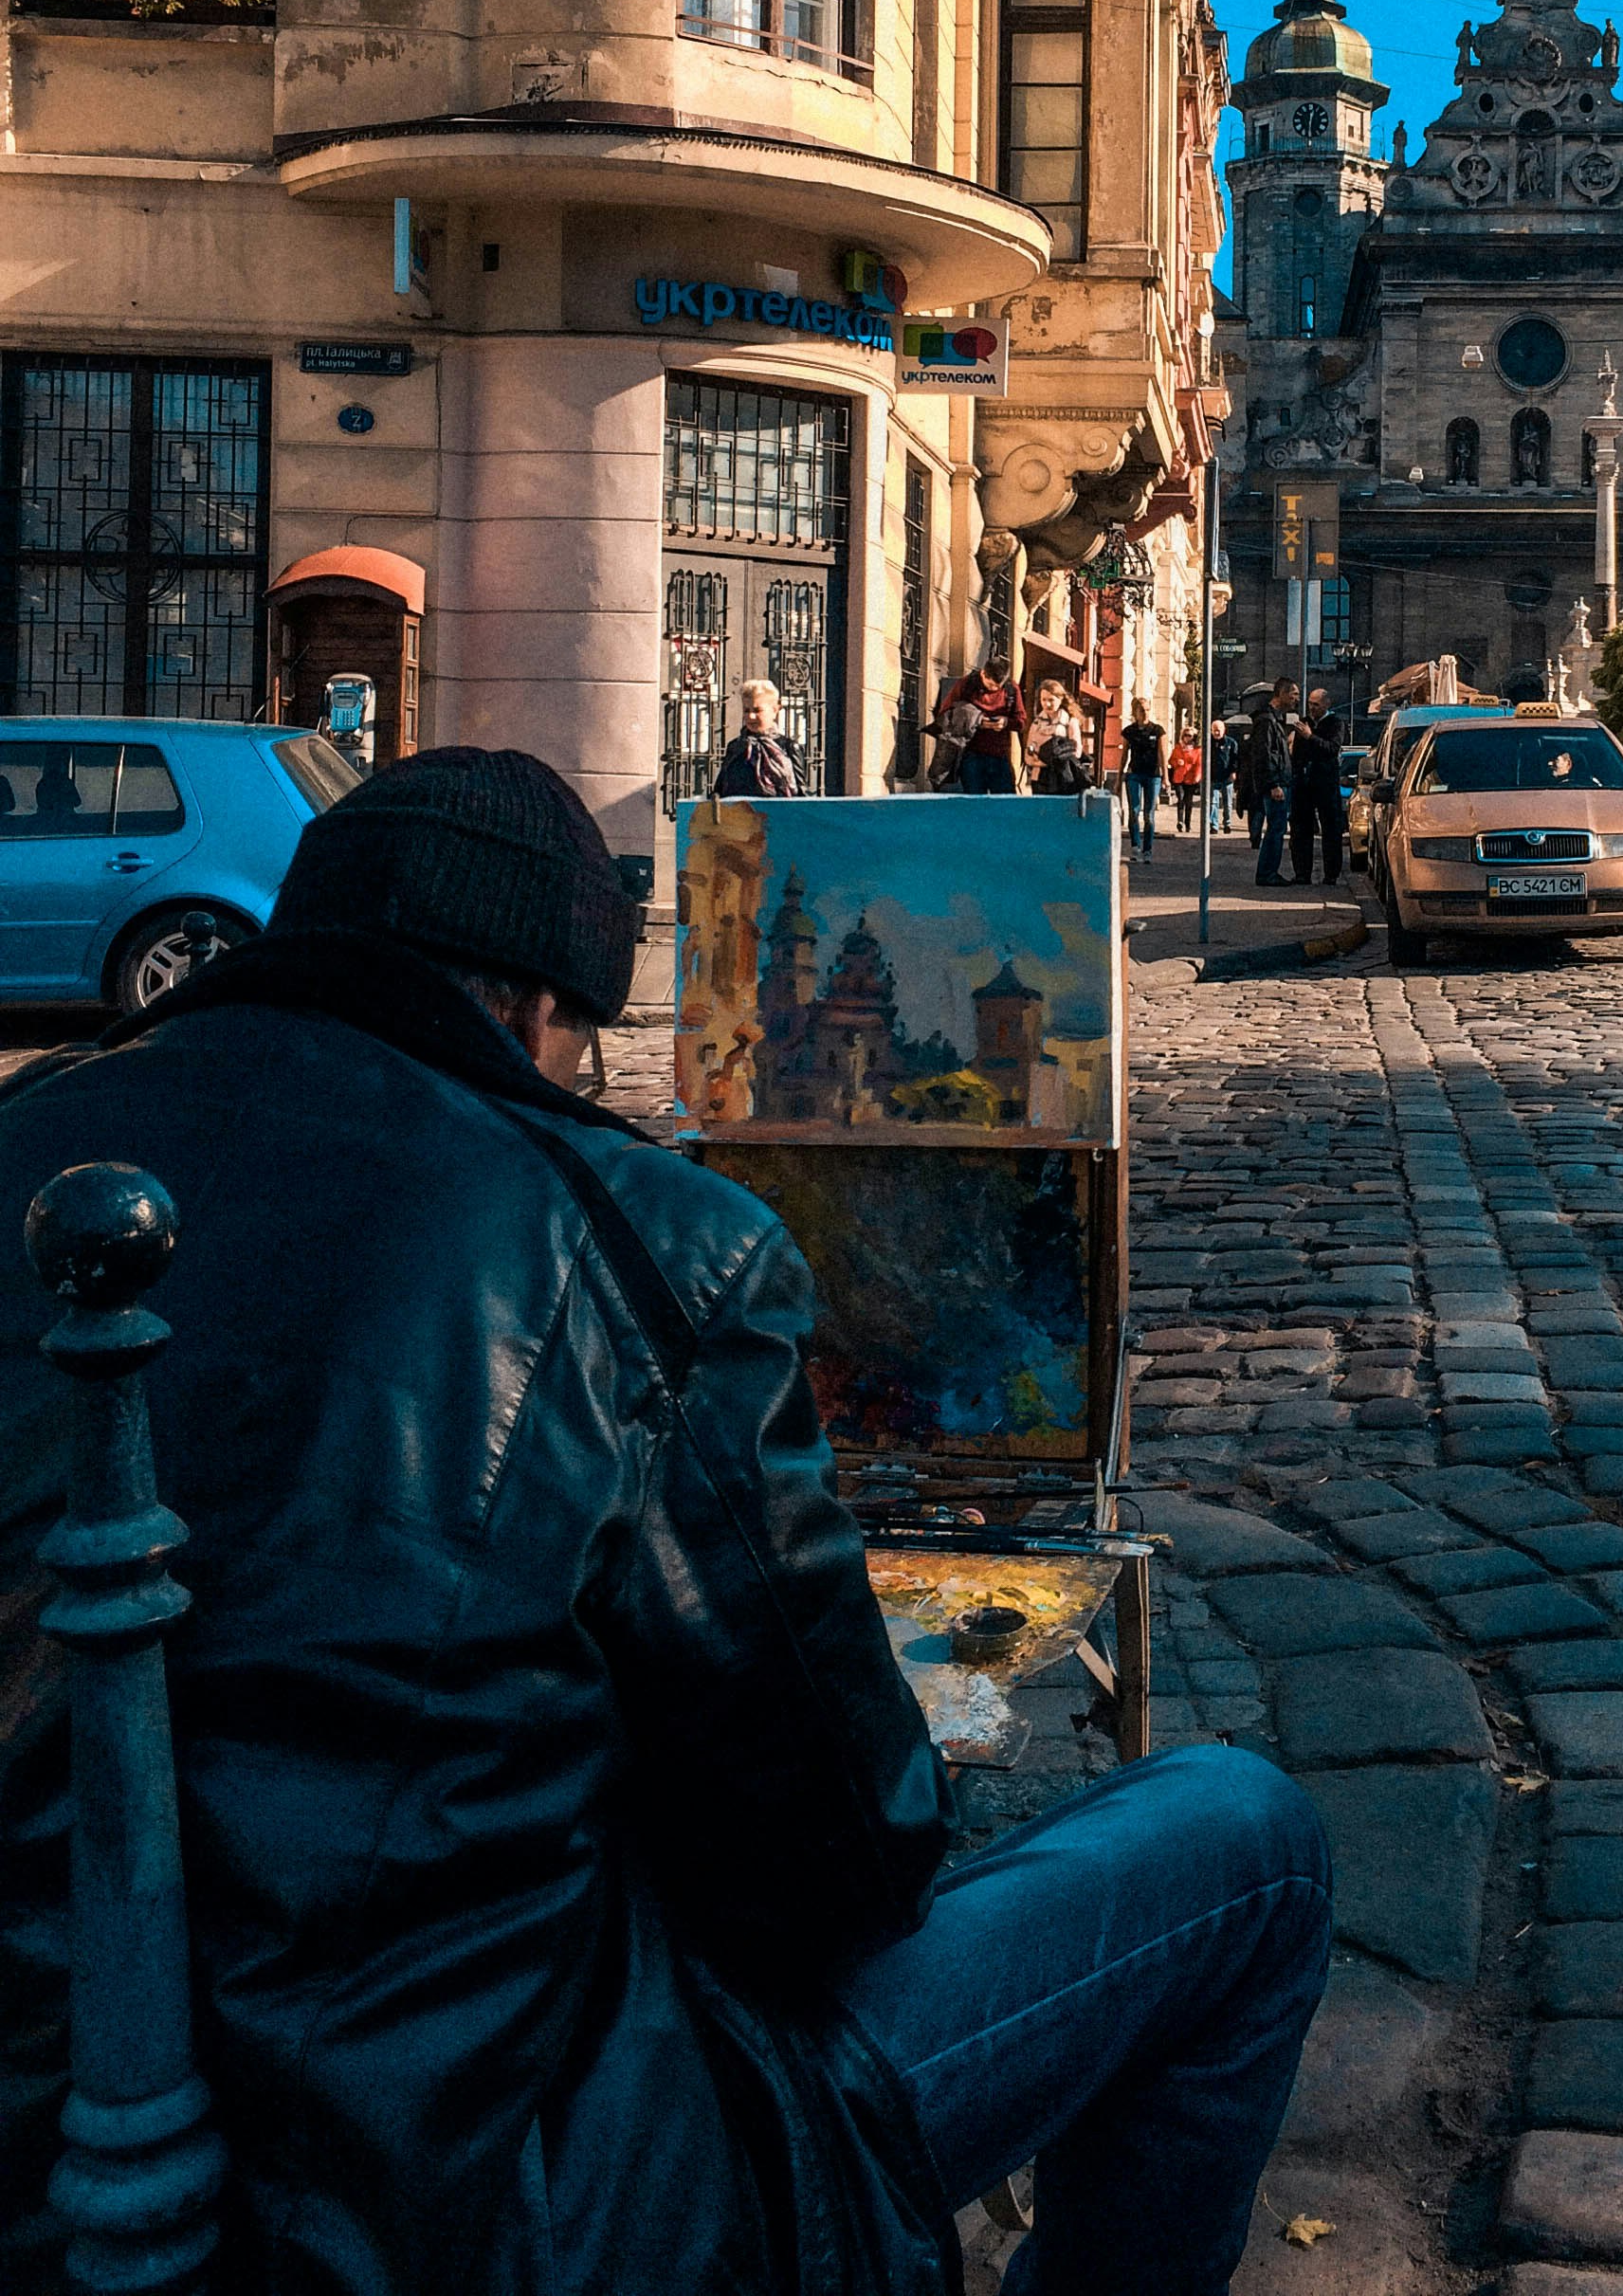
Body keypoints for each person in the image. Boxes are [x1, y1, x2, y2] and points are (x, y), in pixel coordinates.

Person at [0, 749, 1331, 2296]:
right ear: (541, 1012)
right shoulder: (633, 1239)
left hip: (45, 2138)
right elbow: (845, 1854)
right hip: (476, 2195)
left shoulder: (39, 1153)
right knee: (1247, 1843)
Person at [933, 656, 1026, 794]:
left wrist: (1006, 722)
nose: (994, 689)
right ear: (983, 673)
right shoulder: (966, 685)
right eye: (990, 685)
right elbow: (946, 714)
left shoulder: (1011, 689)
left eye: (997, 687)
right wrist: (976, 721)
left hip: (1000, 755)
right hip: (971, 753)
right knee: (974, 802)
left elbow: (1021, 721)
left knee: (1005, 802)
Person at [1288, 683, 1345, 886]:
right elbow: (1297, 755)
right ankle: (1302, 873)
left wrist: (1310, 737)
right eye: (1310, 704)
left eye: (1316, 705)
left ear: (1326, 704)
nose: (1312, 708)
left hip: (1326, 782)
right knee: (1301, 829)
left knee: (1331, 829)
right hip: (1304, 783)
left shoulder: (1335, 723)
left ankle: (1331, 874)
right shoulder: (1303, 723)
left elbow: (1331, 749)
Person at [712, 678, 803, 798]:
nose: (751, 716)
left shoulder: (789, 747)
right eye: (746, 710)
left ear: (775, 710)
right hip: (738, 814)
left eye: (757, 710)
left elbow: (801, 795)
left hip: (778, 814)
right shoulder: (736, 747)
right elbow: (719, 790)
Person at [1248, 678, 1299, 885]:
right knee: (1276, 829)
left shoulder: (1275, 720)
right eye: (1293, 694)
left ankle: (1269, 872)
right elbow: (1264, 755)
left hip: (1281, 781)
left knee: (1277, 828)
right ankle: (1267, 873)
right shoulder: (1267, 721)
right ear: (1281, 695)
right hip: (1276, 784)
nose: (1296, 699)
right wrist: (1273, 784)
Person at [1027, 682, 1091, 796]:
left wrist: (1054, 758)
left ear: (1060, 699)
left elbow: (1076, 752)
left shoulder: (1070, 722)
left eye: (1051, 700)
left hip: (1063, 778)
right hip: (1039, 777)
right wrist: (1039, 761)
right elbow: (1029, 753)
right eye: (1043, 700)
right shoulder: (1036, 723)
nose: (1047, 704)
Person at [1121, 696, 1165, 859]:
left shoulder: (1157, 730)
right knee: (1134, 811)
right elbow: (1124, 755)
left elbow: (1162, 754)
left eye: (1147, 710)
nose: (1145, 713)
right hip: (1134, 774)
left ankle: (1147, 849)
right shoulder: (1129, 731)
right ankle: (1135, 846)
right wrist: (1119, 777)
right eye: (1141, 710)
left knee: (1149, 814)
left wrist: (1165, 777)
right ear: (1135, 712)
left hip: (1153, 775)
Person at [1168, 725, 1203, 834]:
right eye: (1185, 735)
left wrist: (1198, 776)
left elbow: (1199, 764)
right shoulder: (1178, 748)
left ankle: (1188, 823)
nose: (1187, 738)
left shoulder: (1197, 750)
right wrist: (1176, 762)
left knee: (1189, 802)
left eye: (1190, 736)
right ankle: (1180, 821)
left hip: (1190, 778)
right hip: (1179, 777)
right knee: (1181, 798)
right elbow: (1170, 761)